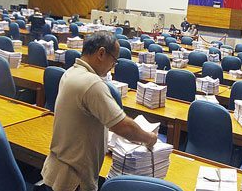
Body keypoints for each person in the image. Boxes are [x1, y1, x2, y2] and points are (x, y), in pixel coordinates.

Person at [42, 31, 157, 191]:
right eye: (114, 60)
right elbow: (123, 126)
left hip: (57, 170)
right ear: (101, 53)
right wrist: (149, 138)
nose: (113, 66)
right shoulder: (92, 83)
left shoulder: (70, 72)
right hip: (74, 180)